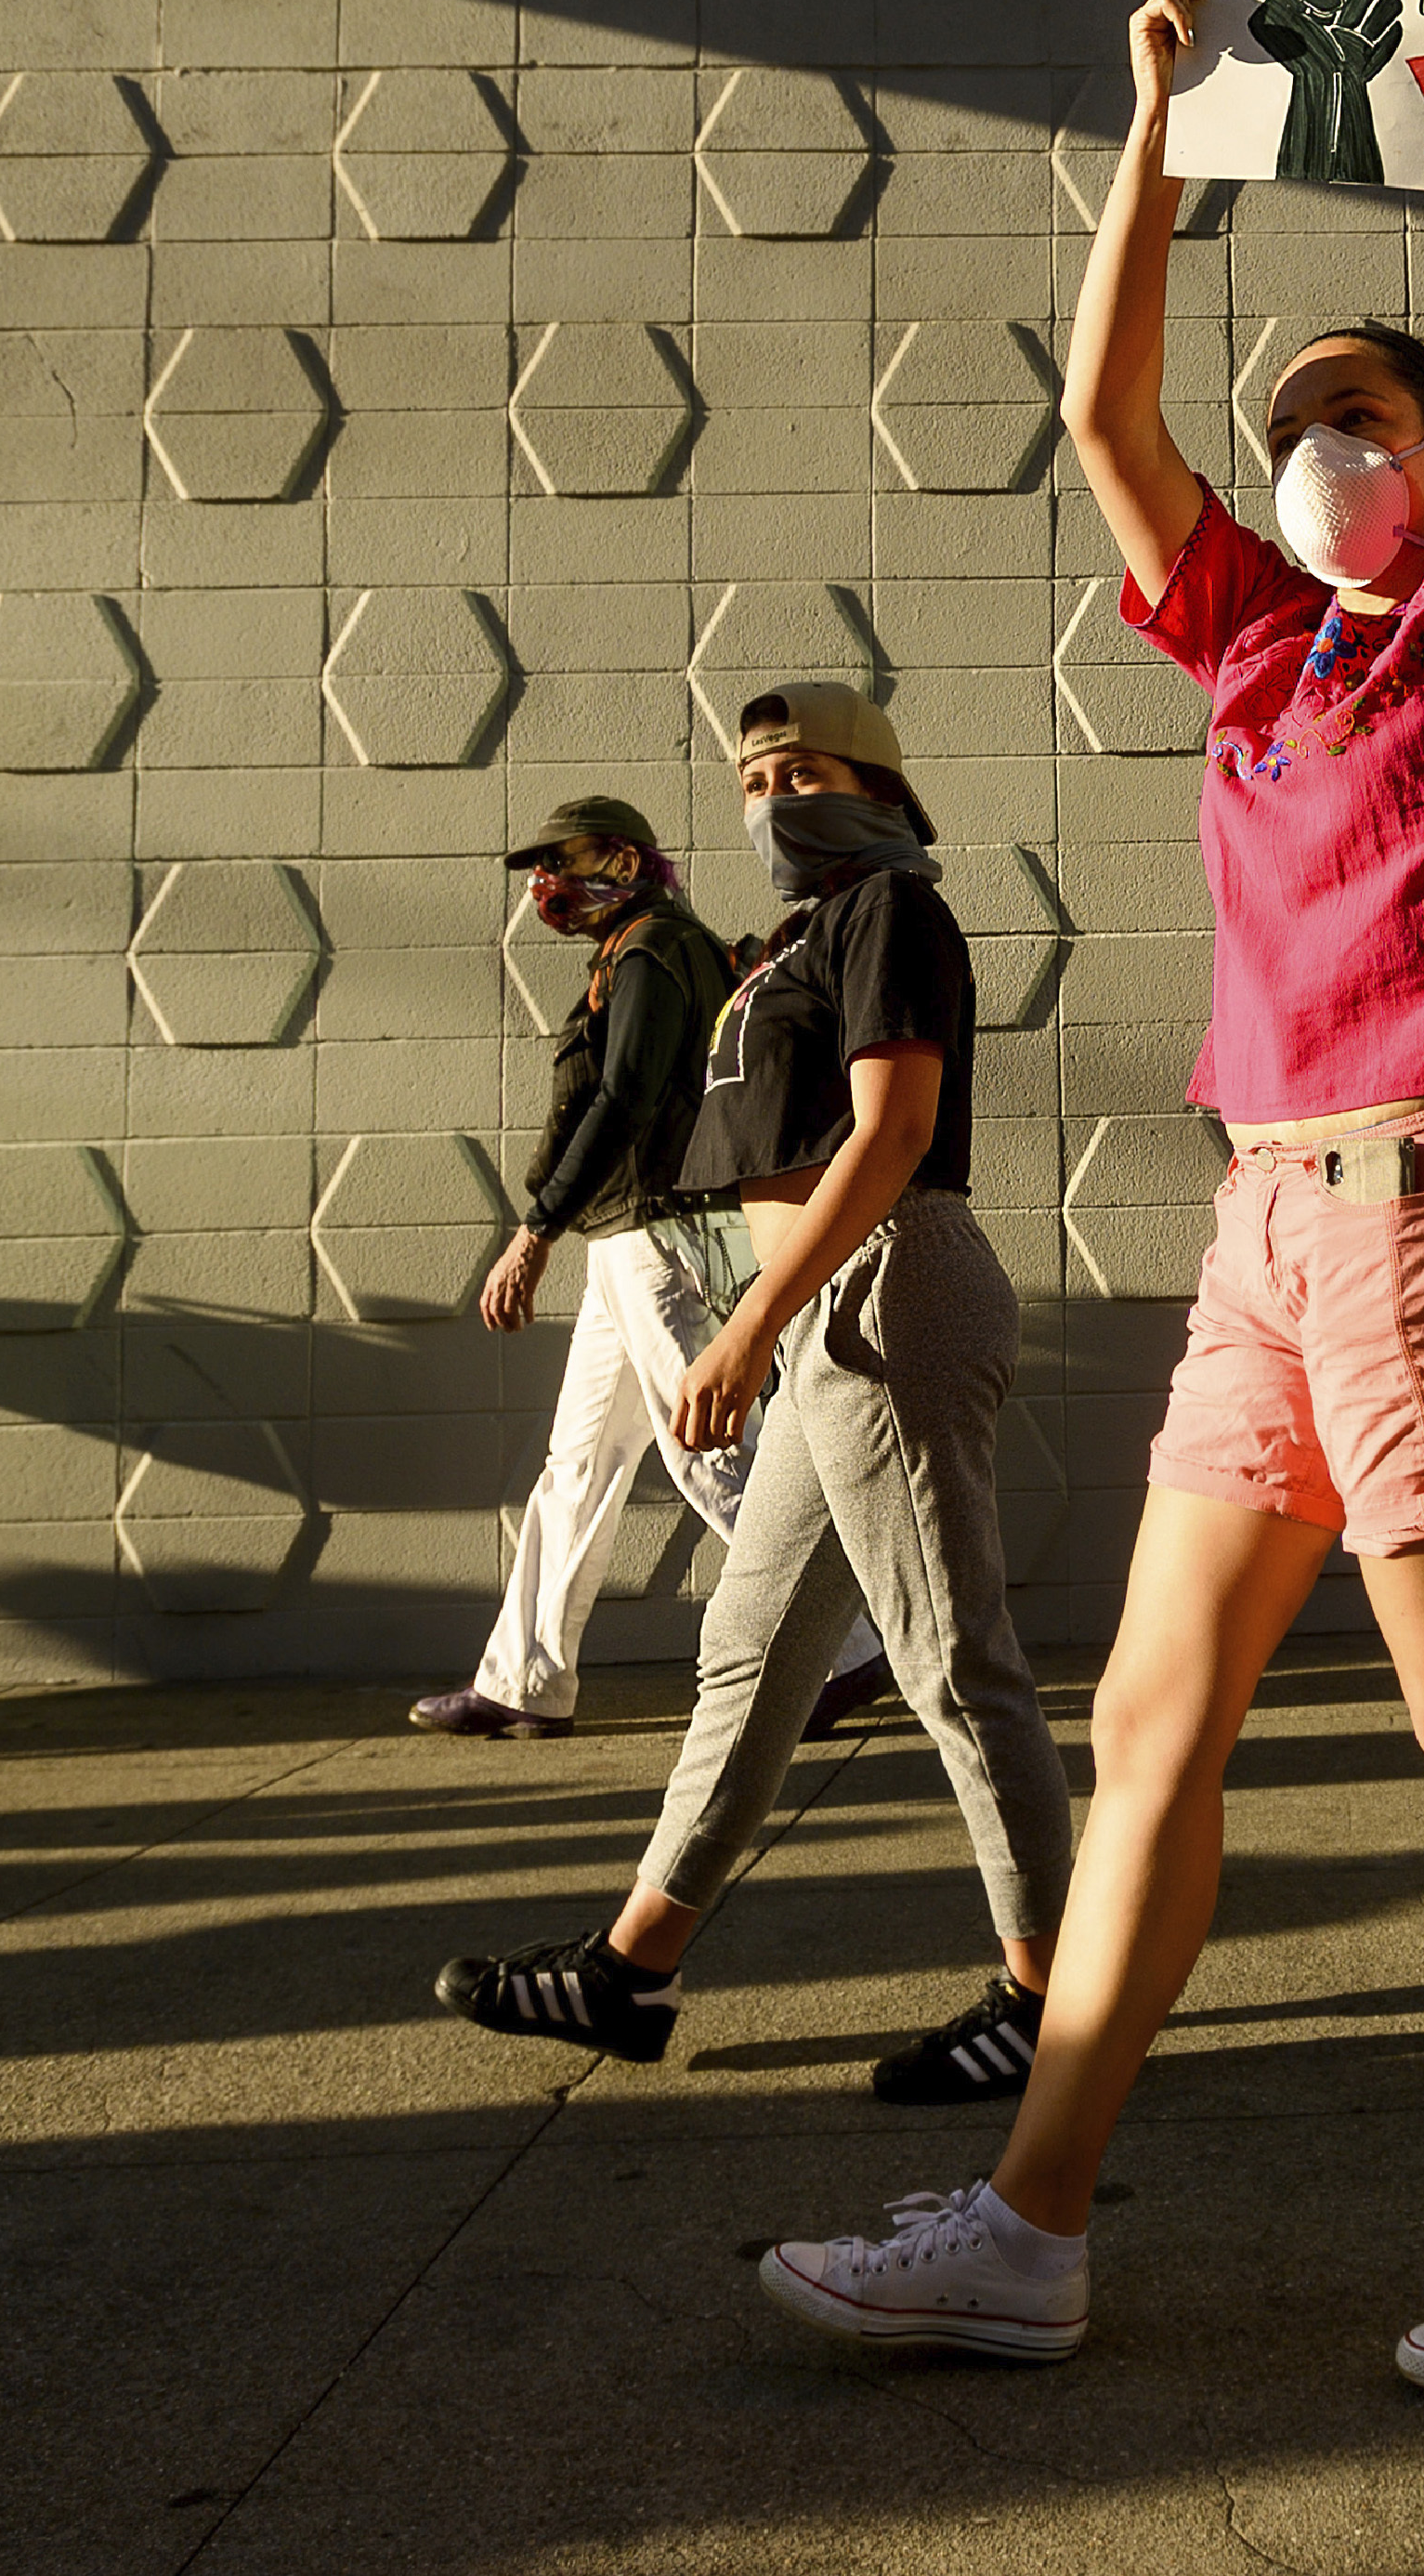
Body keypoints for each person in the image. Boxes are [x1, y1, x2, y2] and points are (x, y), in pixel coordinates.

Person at [759, 0, 1424, 2400]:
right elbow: (1103, 427)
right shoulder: (1261, 649)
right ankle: (1034, 2223)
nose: (1310, 448)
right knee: (1157, 1719)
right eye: (1291, 419)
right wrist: (1160, 140)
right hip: (1268, 1232)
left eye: (1357, 417)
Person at [430, 686, 1078, 2108]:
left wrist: (751, 1330)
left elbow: (897, 1131)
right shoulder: (781, 940)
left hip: (886, 1293)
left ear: (881, 786)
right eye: (752, 774)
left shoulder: (891, 908)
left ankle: (1053, 2005)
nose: (774, 794)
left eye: (804, 768)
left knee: (953, 1659)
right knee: (751, 1644)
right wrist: (765, 1316)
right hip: (826, 1311)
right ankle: (632, 1968)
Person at [412, 794, 745, 1744]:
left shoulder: (652, 949)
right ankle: (524, 1682)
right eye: (541, 866)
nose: (546, 883)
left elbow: (624, 1097)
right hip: (624, 1235)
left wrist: (534, 1232)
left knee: (708, 1449)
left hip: (658, 1231)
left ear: (629, 862)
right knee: (579, 1465)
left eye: (568, 860)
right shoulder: (633, 950)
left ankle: (851, 1644)